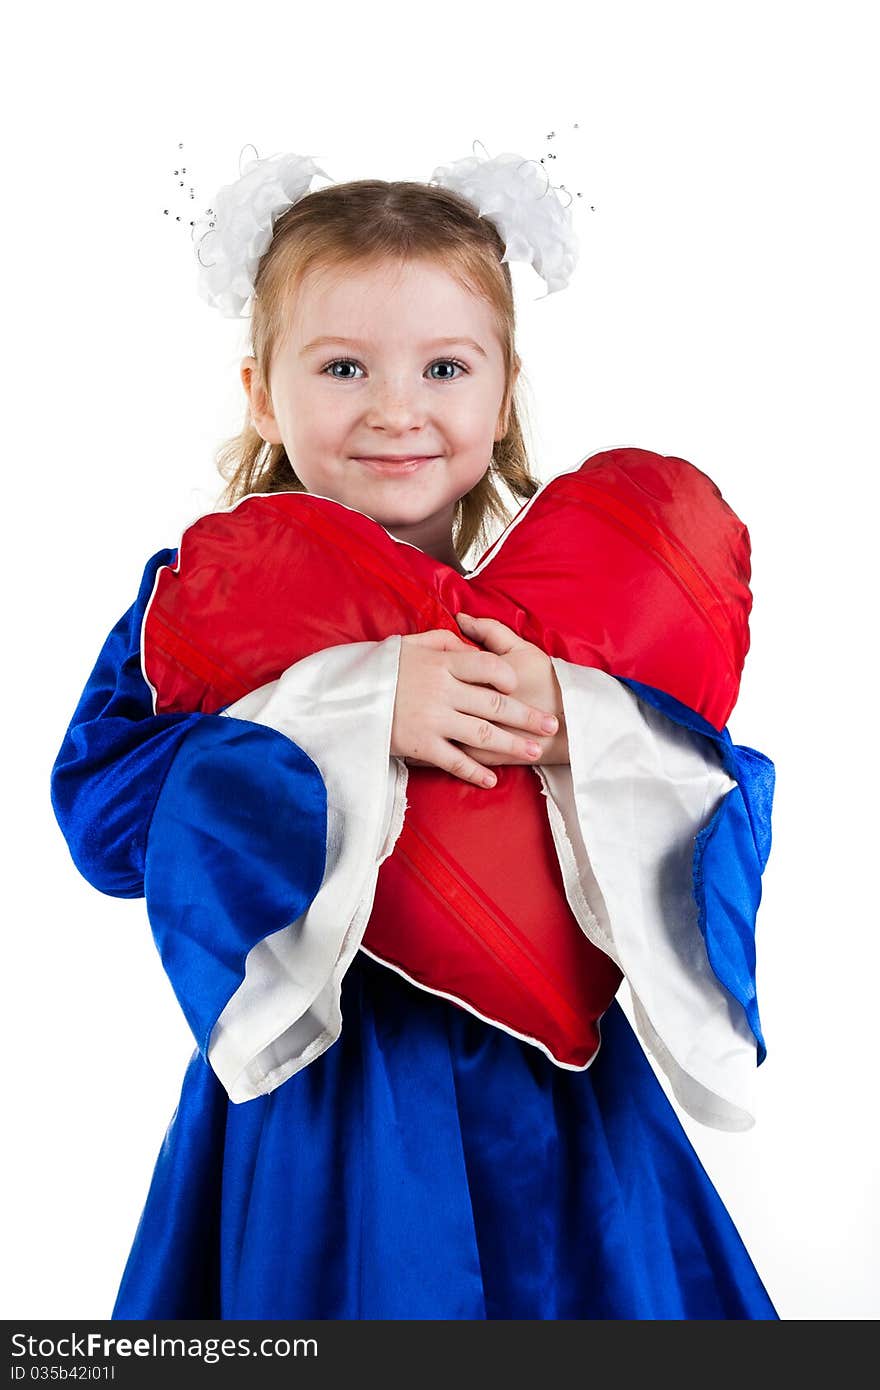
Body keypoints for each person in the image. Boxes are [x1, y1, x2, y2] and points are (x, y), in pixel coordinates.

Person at [50, 147, 779, 1319]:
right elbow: (106, 817)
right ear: (259, 391)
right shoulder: (204, 608)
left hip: (558, 1095)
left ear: (501, 395)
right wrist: (351, 709)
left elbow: (716, 801)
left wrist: (578, 726)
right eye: (342, 366)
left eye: (445, 366)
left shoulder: (592, 623)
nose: (396, 410)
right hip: (324, 1087)